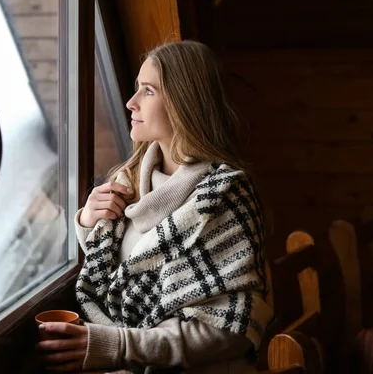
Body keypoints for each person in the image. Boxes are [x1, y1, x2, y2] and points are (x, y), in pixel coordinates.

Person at [36, 40, 274, 373]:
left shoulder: (226, 195)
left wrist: (117, 346)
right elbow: (119, 275)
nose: (131, 103)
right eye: (136, 89)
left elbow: (230, 329)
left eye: (148, 91)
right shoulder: (128, 180)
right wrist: (89, 222)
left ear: (184, 102)